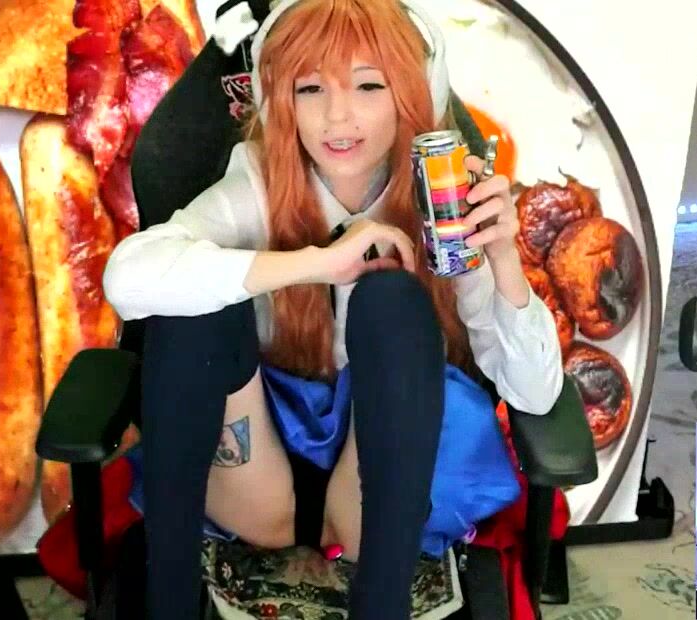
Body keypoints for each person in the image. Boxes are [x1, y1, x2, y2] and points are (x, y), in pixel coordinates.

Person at [101, 0, 565, 617]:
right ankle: (171, 603)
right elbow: (128, 278)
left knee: (393, 303)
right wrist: (317, 262)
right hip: (261, 478)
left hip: (380, 489)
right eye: (311, 88)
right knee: (193, 299)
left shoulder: (447, 203)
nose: (337, 117)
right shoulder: (258, 181)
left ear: (413, 94)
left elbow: (536, 394)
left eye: (369, 86)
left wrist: (503, 258)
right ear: (280, 102)